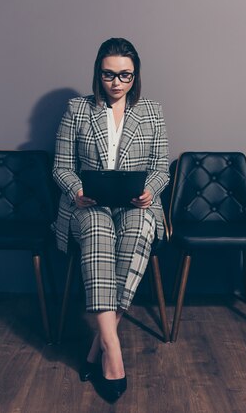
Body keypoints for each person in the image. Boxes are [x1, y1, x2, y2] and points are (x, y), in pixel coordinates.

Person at [52, 37, 169, 401]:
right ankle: (113, 353)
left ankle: (96, 348)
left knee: (138, 232)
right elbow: (61, 168)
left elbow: (161, 167)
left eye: (125, 75)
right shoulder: (77, 109)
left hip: (136, 205)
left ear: (135, 76)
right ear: (97, 74)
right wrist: (76, 192)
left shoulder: (152, 111)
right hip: (88, 206)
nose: (117, 82)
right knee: (99, 230)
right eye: (109, 74)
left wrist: (150, 190)